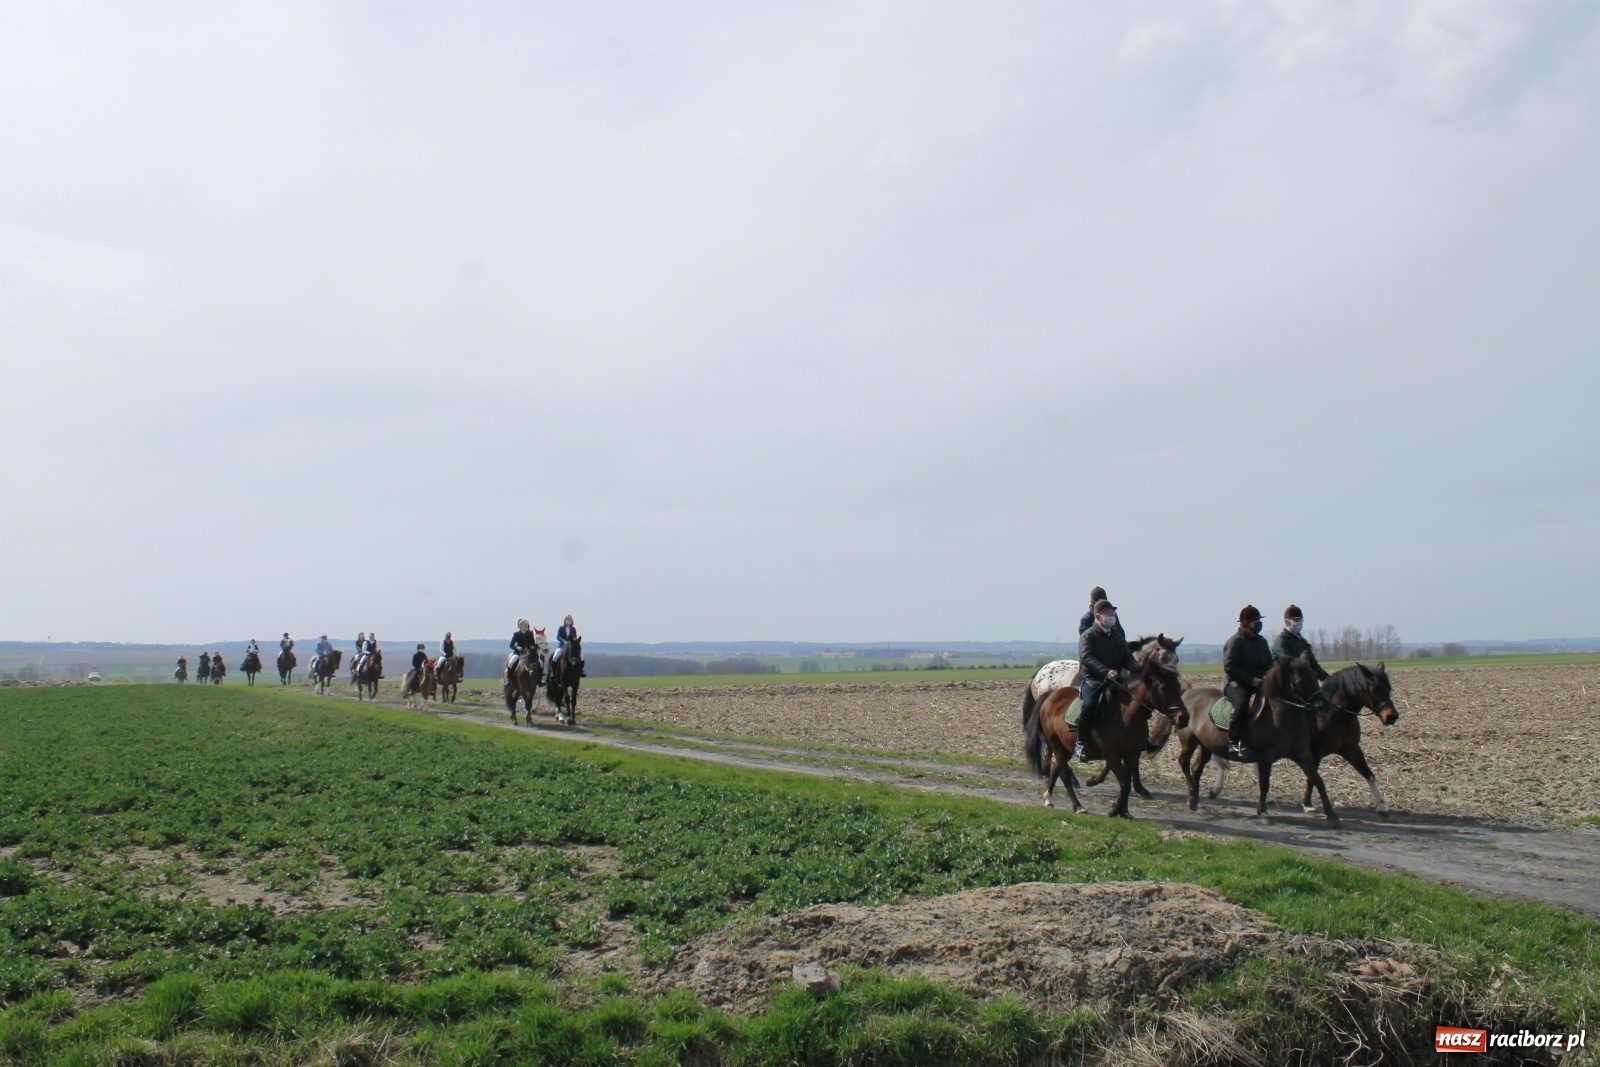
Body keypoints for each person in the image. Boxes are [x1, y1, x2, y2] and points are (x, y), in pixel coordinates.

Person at [1075, 598, 1133, 759]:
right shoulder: (1087, 636)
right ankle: (1080, 742)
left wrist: (1139, 669)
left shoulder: (1117, 637)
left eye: (1112, 613)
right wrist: (1106, 672)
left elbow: (1127, 657)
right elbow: (1087, 658)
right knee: (1089, 705)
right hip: (1093, 681)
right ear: (1098, 617)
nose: (1112, 616)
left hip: (1116, 682)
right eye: (1108, 614)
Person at [1223, 605, 1274, 760]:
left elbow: (1269, 664)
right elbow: (1230, 668)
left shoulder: (1262, 641)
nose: (1259, 624)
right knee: (1242, 704)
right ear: (1245, 623)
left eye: (1259, 620)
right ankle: (1233, 741)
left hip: (1260, 683)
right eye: (1255, 621)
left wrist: (1270, 676)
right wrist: (1251, 680)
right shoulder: (1235, 642)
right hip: (1237, 684)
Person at [1271, 605, 1329, 681]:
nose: (1299, 622)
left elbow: (1313, 664)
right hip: (1286, 681)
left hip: (1302, 679)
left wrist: (1326, 677)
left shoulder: (1302, 641)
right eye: (1296, 620)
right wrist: (1302, 663)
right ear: (1287, 621)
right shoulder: (1281, 640)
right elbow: (1286, 661)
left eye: (1300, 620)